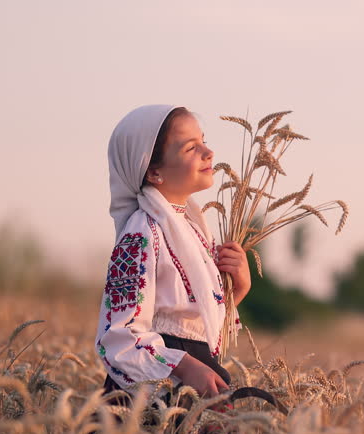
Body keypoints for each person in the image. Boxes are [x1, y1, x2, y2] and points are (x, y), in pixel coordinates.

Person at [97, 104, 252, 402]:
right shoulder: (140, 236)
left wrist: (239, 288)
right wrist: (183, 366)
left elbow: (195, 328)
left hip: (196, 377)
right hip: (156, 387)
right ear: (154, 171)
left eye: (204, 141)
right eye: (191, 147)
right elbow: (118, 337)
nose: (209, 153)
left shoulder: (195, 231)